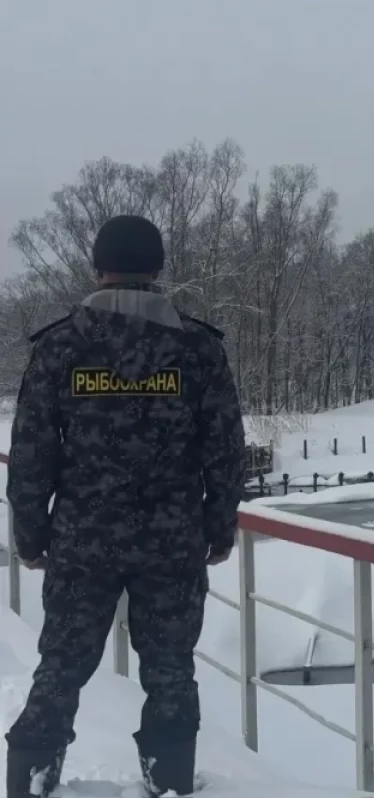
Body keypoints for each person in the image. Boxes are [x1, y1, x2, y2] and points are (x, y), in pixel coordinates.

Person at [4, 215, 245, 797]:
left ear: (98, 268)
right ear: (157, 269)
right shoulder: (196, 347)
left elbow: (32, 454)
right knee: (170, 670)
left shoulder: (61, 346)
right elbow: (224, 451)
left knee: (61, 666)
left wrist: (31, 538)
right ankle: (169, 784)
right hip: (172, 542)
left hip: (82, 542)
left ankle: (31, 782)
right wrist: (219, 530)